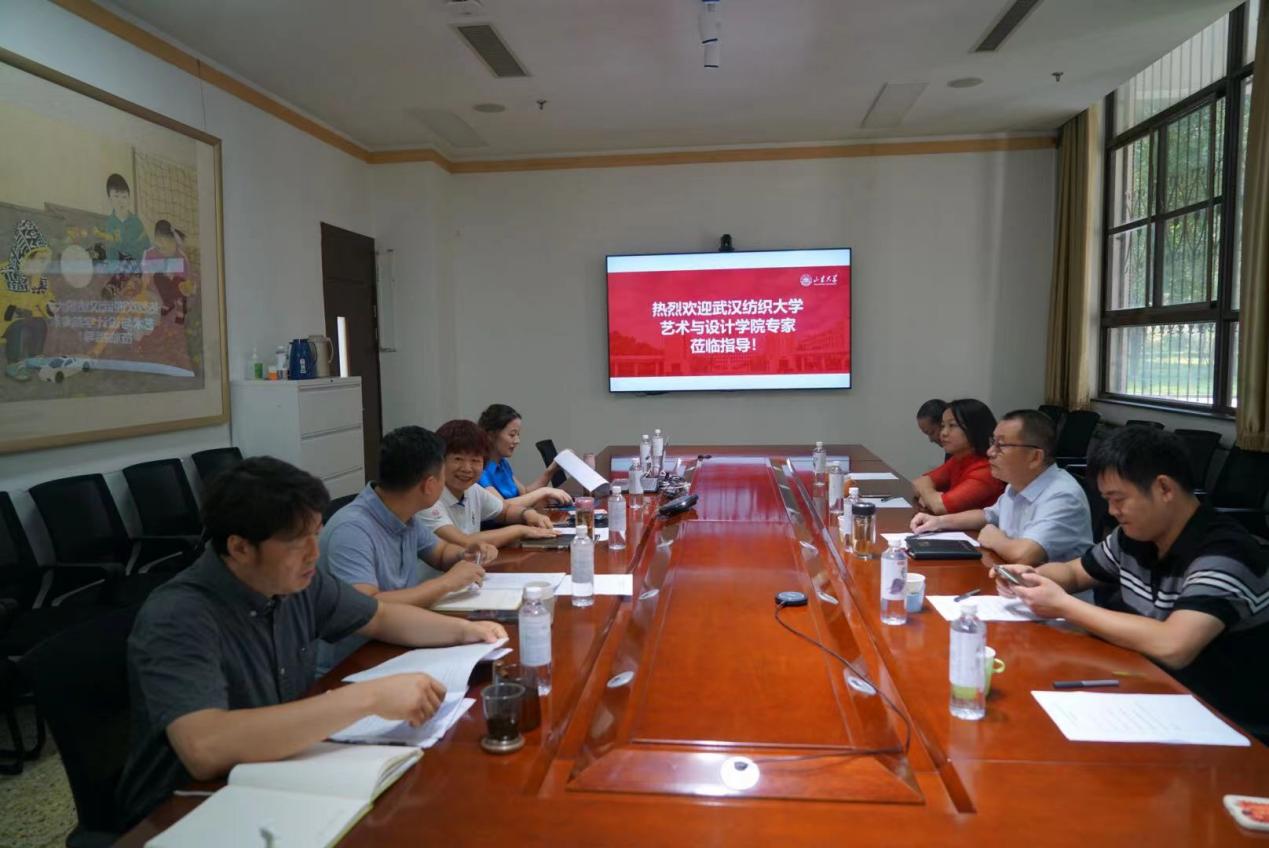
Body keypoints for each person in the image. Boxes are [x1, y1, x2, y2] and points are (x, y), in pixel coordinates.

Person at [116, 456, 506, 829]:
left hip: (282, 772)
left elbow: (380, 617)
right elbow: (204, 747)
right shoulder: (178, 615)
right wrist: (368, 698)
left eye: (315, 535)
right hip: (192, 807)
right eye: (296, 543)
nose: (314, 554)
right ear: (239, 548)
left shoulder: (296, 581)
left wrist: (467, 631)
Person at [995, 427, 1269, 740]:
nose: (1112, 512)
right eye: (1107, 500)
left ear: (1164, 488)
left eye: (1119, 499)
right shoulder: (1135, 536)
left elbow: (1174, 645)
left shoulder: (1226, 552)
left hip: (1222, 721)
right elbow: (1074, 573)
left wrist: (1063, 606)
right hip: (1147, 688)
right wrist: (1032, 577)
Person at [317, 426, 500, 674]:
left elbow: (440, 553)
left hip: (399, 642)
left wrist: (463, 554)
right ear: (429, 485)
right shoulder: (351, 530)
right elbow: (367, 608)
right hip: (354, 664)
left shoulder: (405, 512)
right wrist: (447, 583)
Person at [910, 409, 1092, 565]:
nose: (990, 452)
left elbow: (1025, 554)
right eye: (993, 442)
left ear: (1035, 457)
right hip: (1013, 582)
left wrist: (995, 539)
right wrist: (940, 522)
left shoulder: (1062, 495)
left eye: (1001, 445)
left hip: (1052, 593)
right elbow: (989, 515)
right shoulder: (1018, 482)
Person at [419, 419, 565, 547]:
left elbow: (505, 511)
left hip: (471, 567)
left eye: (475, 460)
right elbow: (462, 542)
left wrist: (528, 514)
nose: (467, 468)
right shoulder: (428, 498)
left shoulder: (473, 490)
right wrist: (520, 530)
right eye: (458, 459)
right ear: (440, 461)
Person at [911, 398, 1004, 515]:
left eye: (952, 425)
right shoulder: (958, 459)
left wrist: (928, 497)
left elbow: (940, 506)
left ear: (974, 428)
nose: (943, 433)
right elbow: (919, 482)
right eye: (943, 426)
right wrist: (931, 496)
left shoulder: (986, 470)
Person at [0, 219, 57, 382]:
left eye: (45, 260)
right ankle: (14, 365)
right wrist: (14, 310)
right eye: (40, 259)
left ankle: (35, 358)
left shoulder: (39, 279)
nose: (43, 264)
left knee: (40, 324)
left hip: (27, 316)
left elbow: (45, 297)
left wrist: (50, 306)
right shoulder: (4, 273)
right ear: (26, 256)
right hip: (4, 319)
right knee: (17, 326)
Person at [478, 403, 569, 499]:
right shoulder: (479, 468)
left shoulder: (502, 464)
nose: (517, 441)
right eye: (512, 435)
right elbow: (503, 506)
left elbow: (525, 493)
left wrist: (551, 470)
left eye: (518, 435)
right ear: (491, 435)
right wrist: (544, 491)